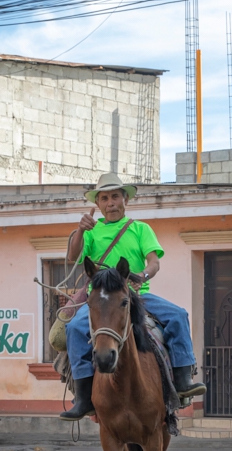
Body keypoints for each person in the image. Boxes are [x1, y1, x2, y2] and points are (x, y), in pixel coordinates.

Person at [60, 173, 206, 421]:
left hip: (137, 295)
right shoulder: (92, 232)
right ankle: (84, 398)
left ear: (125, 199)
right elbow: (74, 257)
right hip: (102, 298)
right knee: (74, 328)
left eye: (115, 196)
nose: (110, 203)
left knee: (179, 315)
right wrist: (79, 231)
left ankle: (183, 381)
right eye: (104, 198)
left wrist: (143, 275)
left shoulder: (140, 228)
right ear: (98, 204)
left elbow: (154, 261)